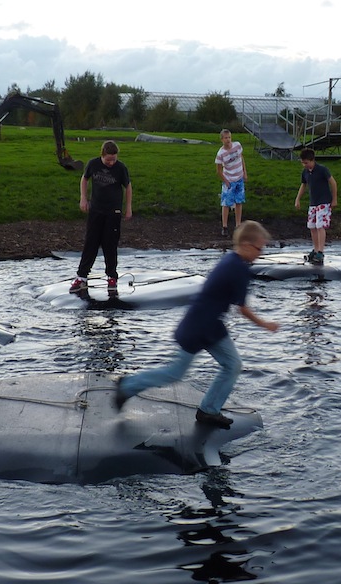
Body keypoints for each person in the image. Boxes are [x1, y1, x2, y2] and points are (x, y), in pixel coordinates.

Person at [115, 221, 280, 428]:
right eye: (259, 248)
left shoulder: (231, 260)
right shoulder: (238, 269)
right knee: (175, 373)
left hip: (211, 325)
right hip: (199, 326)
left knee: (232, 365)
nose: (261, 253)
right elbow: (243, 309)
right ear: (246, 245)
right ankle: (127, 386)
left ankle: (208, 410)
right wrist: (266, 325)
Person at [71, 140, 132, 292]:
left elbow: (128, 186)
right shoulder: (93, 164)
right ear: (102, 155)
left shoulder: (121, 168)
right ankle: (82, 277)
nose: (111, 163)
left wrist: (128, 207)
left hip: (113, 211)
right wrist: (83, 198)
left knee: (110, 244)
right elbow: (84, 179)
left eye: (114, 159)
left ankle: (111, 276)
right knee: (91, 242)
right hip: (96, 210)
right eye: (108, 160)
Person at [293, 148, 337, 264]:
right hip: (313, 203)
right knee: (312, 226)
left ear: (312, 160)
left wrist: (334, 199)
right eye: (302, 163)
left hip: (324, 202)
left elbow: (333, 183)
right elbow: (303, 185)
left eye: (306, 163)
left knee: (320, 226)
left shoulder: (322, 170)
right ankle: (316, 249)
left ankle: (320, 252)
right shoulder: (305, 172)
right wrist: (298, 199)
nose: (304, 165)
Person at [214, 129, 247, 236]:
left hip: (239, 178)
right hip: (229, 180)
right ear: (222, 139)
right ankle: (225, 226)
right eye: (226, 138)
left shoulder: (237, 145)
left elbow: (241, 158)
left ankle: (238, 225)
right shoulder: (221, 154)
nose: (228, 140)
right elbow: (218, 170)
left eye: (229, 137)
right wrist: (226, 181)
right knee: (226, 203)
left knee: (239, 201)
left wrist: (244, 172)